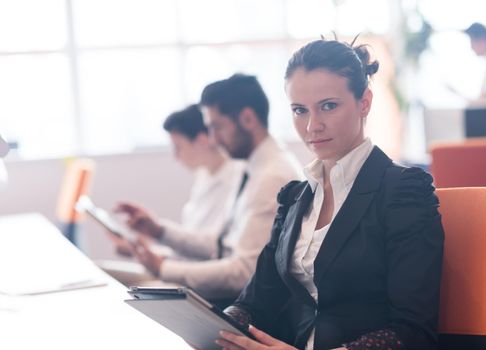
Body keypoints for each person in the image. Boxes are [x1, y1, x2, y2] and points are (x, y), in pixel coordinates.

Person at [218, 38, 445, 350]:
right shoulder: (295, 198)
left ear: (364, 102)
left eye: (328, 106)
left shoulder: (403, 191)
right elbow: (256, 301)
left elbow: (412, 331)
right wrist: (216, 328)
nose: (312, 125)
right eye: (300, 110)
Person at [130, 74, 302, 301]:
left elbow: (245, 272)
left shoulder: (272, 176)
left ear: (247, 119)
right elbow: (221, 245)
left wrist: (166, 268)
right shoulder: (252, 168)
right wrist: (160, 232)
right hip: (233, 298)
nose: (213, 139)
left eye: (217, 127)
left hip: (247, 309)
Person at [106, 104, 245, 285]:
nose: (175, 156)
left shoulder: (235, 180)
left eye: (178, 147)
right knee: (100, 270)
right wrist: (145, 250)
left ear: (203, 141)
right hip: (182, 269)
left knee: (125, 290)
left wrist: (159, 241)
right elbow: (190, 251)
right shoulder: (204, 177)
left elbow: (215, 252)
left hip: (200, 282)